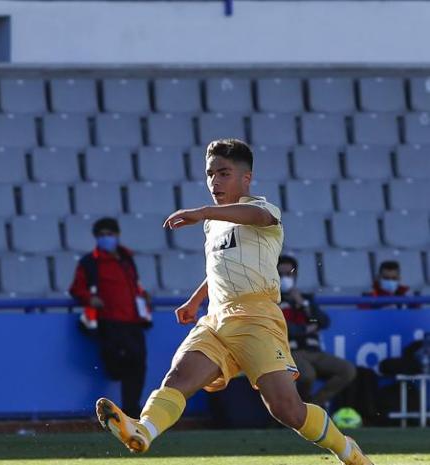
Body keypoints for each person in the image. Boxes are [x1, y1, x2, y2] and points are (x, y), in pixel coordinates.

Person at [95, 139, 372, 465]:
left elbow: (255, 216)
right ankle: (143, 431)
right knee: (179, 378)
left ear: (246, 178)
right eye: (210, 174)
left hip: (257, 316)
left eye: (224, 173)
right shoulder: (213, 224)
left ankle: (346, 450)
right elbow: (220, 267)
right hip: (216, 318)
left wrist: (202, 211)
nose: (214, 181)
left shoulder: (264, 210)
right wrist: (195, 300)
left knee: (286, 409)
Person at [69, 217, 152, 418]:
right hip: (109, 321)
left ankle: (131, 411)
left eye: (109, 234)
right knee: (118, 364)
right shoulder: (89, 262)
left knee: (138, 363)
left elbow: (134, 284)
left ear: (117, 235)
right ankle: (124, 403)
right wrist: (90, 298)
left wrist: (142, 295)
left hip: (133, 321)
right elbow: (76, 288)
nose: (106, 238)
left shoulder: (127, 259)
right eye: (101, 235)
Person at [278, 255, 356, 407]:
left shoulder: (306, 299)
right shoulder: (272, 300)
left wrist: (303, 304)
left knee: (347, 370)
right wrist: (305, 328)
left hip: (314, 351)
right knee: (307, 375)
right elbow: (282, 327)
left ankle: (313, 406)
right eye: (281, 274)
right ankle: (300, 409)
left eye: (289, 274)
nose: (285, 278)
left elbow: (322, 321)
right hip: (290, 352)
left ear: (296, 275)